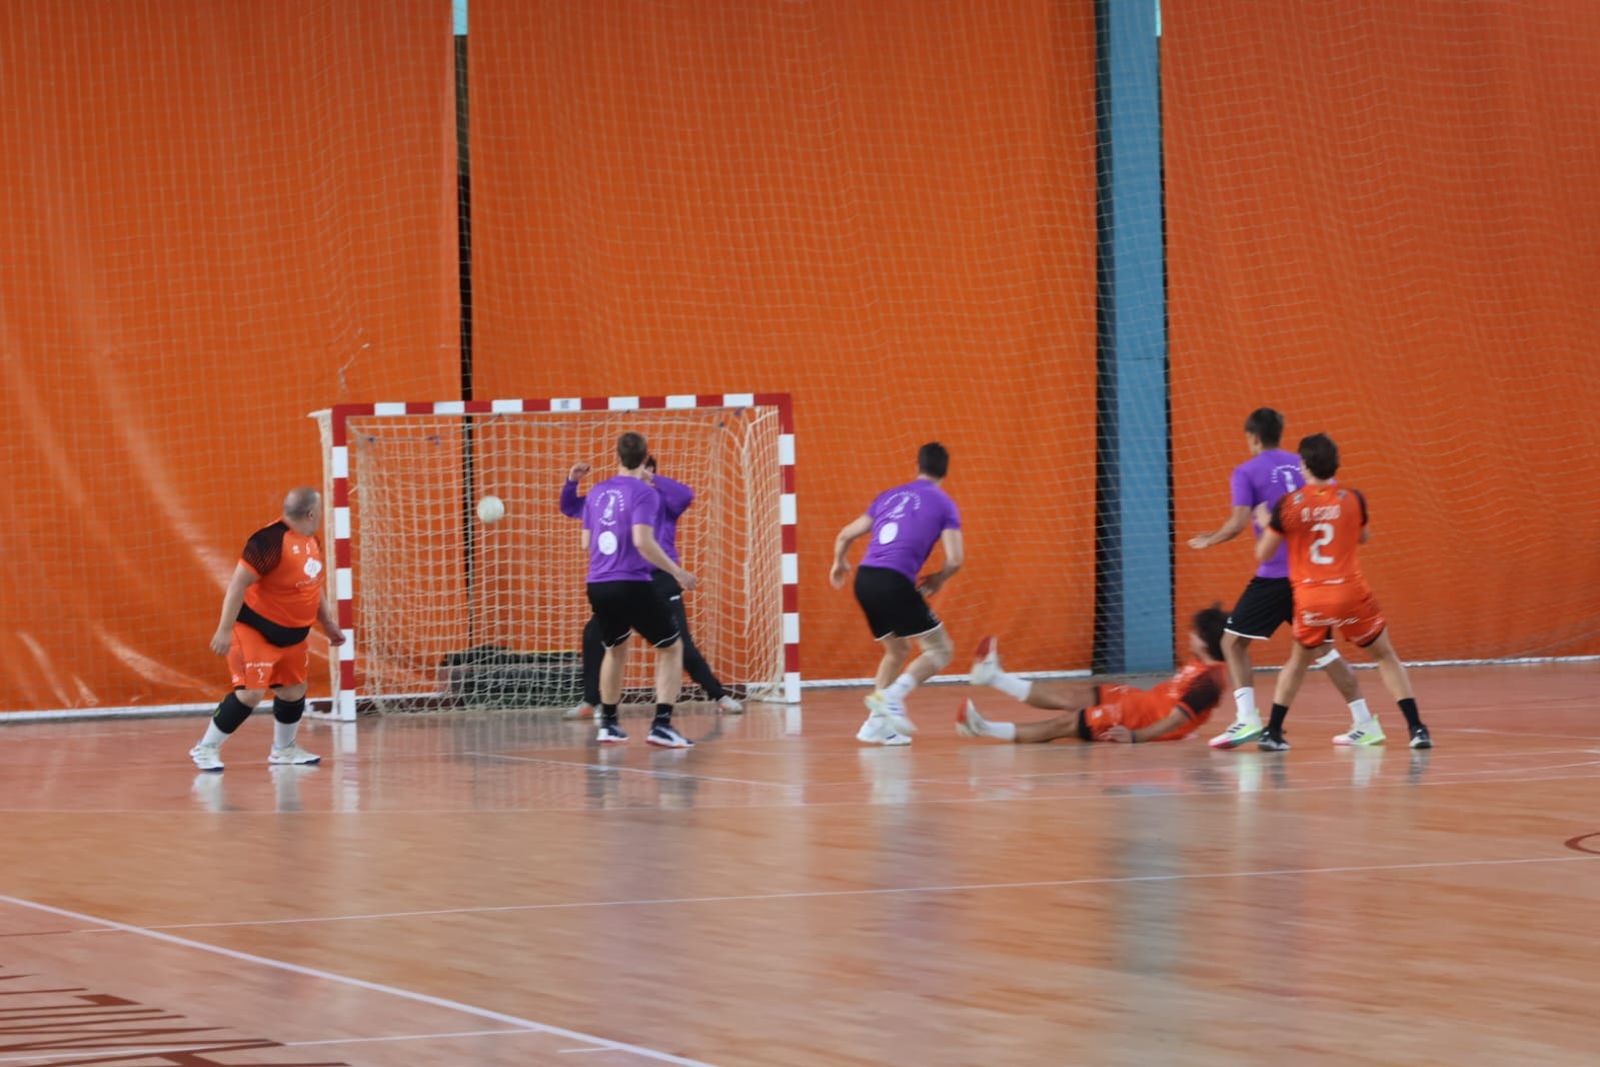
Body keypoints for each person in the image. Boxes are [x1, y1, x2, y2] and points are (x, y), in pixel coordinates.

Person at [1186, 407, 1373, 749]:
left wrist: (1210, 539)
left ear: (1253, 437)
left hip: (1274, 576)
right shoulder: (1304, 464)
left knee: (1232, 643)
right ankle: (1364, 721)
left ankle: (1247, 719)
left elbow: (1237, 524)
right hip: (1311, 577)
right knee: (1324, 650)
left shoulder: (1246, 471)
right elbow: (1330, 504)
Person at [1248, 433, 1432, 751]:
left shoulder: (1289, 505)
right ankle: (1417, 728)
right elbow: (1363, 537)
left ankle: (1273, 731)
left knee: (1298, 661)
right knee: (1384, 655)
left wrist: (1269, 524)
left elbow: (1264, 554)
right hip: (1350, 594)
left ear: (1304, 466)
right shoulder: (1352, 498)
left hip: (1311, 598)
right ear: (1335, 464)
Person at [560, 457, 742, 719]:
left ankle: (718, 695)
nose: (640, 472)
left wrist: (651, 478)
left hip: (659, 580)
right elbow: (571, 507)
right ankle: (591, 701)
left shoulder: (661, 499)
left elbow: (685, 495)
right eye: (636, 467)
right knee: (593, 635)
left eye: (647, 468)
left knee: (679, 643)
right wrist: (572, 482)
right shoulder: (615, 498)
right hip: (627, 580)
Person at [190, 487, 345, 772]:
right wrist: (224, 630)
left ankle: (284, 750)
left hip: (293, 636)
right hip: (255, 630)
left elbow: (314, 586)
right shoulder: (268, 541)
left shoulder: (312, 541)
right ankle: (206, 748)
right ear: (312, 514)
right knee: (251, 693)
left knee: (293, 691)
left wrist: (328, 623)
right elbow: (237, 585)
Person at [830, 442, 964, 745]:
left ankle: (875, 726)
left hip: (865, 580)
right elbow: (955, 559)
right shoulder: (944, 504)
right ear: (945, 471)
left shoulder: (888, 496)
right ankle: (891, 697)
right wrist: (940, 578)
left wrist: (839, 563)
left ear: (917, 466)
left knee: (897, 650)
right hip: (894, 580)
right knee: (940, 650)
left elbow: (845, 534)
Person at [957, 606, 1229, 744]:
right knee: (1071, 696)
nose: (1190, 635)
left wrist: (1136, 737)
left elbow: (1175, 720)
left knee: (1063, 725)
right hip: (1137, 701)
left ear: (1206, 642)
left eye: (1195, 633)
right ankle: (993, 676)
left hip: (1135, 719)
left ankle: (983, 728)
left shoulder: (1210, 682)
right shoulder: (1201, 662)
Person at [582, 432, 699, 748]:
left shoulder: (596, 491)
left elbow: (586, 543)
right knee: (671, 647)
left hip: (597, 583)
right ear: (645, 457)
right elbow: (642, 542)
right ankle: (662, 725)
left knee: (615, 649)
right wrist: (677, 571)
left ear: (616, 455)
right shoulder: (645, 493)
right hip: (632, 583)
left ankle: (609, 724)